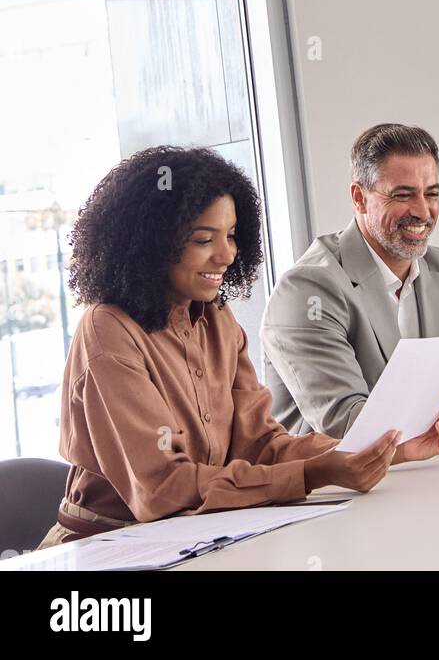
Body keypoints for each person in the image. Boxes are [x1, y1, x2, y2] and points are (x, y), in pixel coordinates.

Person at [35, 146, 409, 548]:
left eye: (231, 235)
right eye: (202, 239)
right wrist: (315, 473)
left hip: (199, 538)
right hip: (107, 550)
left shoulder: (216, 317)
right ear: (151, 243)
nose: (227, 254)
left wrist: (376, 448)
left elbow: (262, 445)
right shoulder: (108, 329)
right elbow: (163, 488)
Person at [261, 123, 439, 448]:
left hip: (431, 478)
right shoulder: (306, 291)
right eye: (403, 195)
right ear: (360, 198)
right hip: (336, 491)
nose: (422, 210)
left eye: (431, 193)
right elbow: (346, 424)